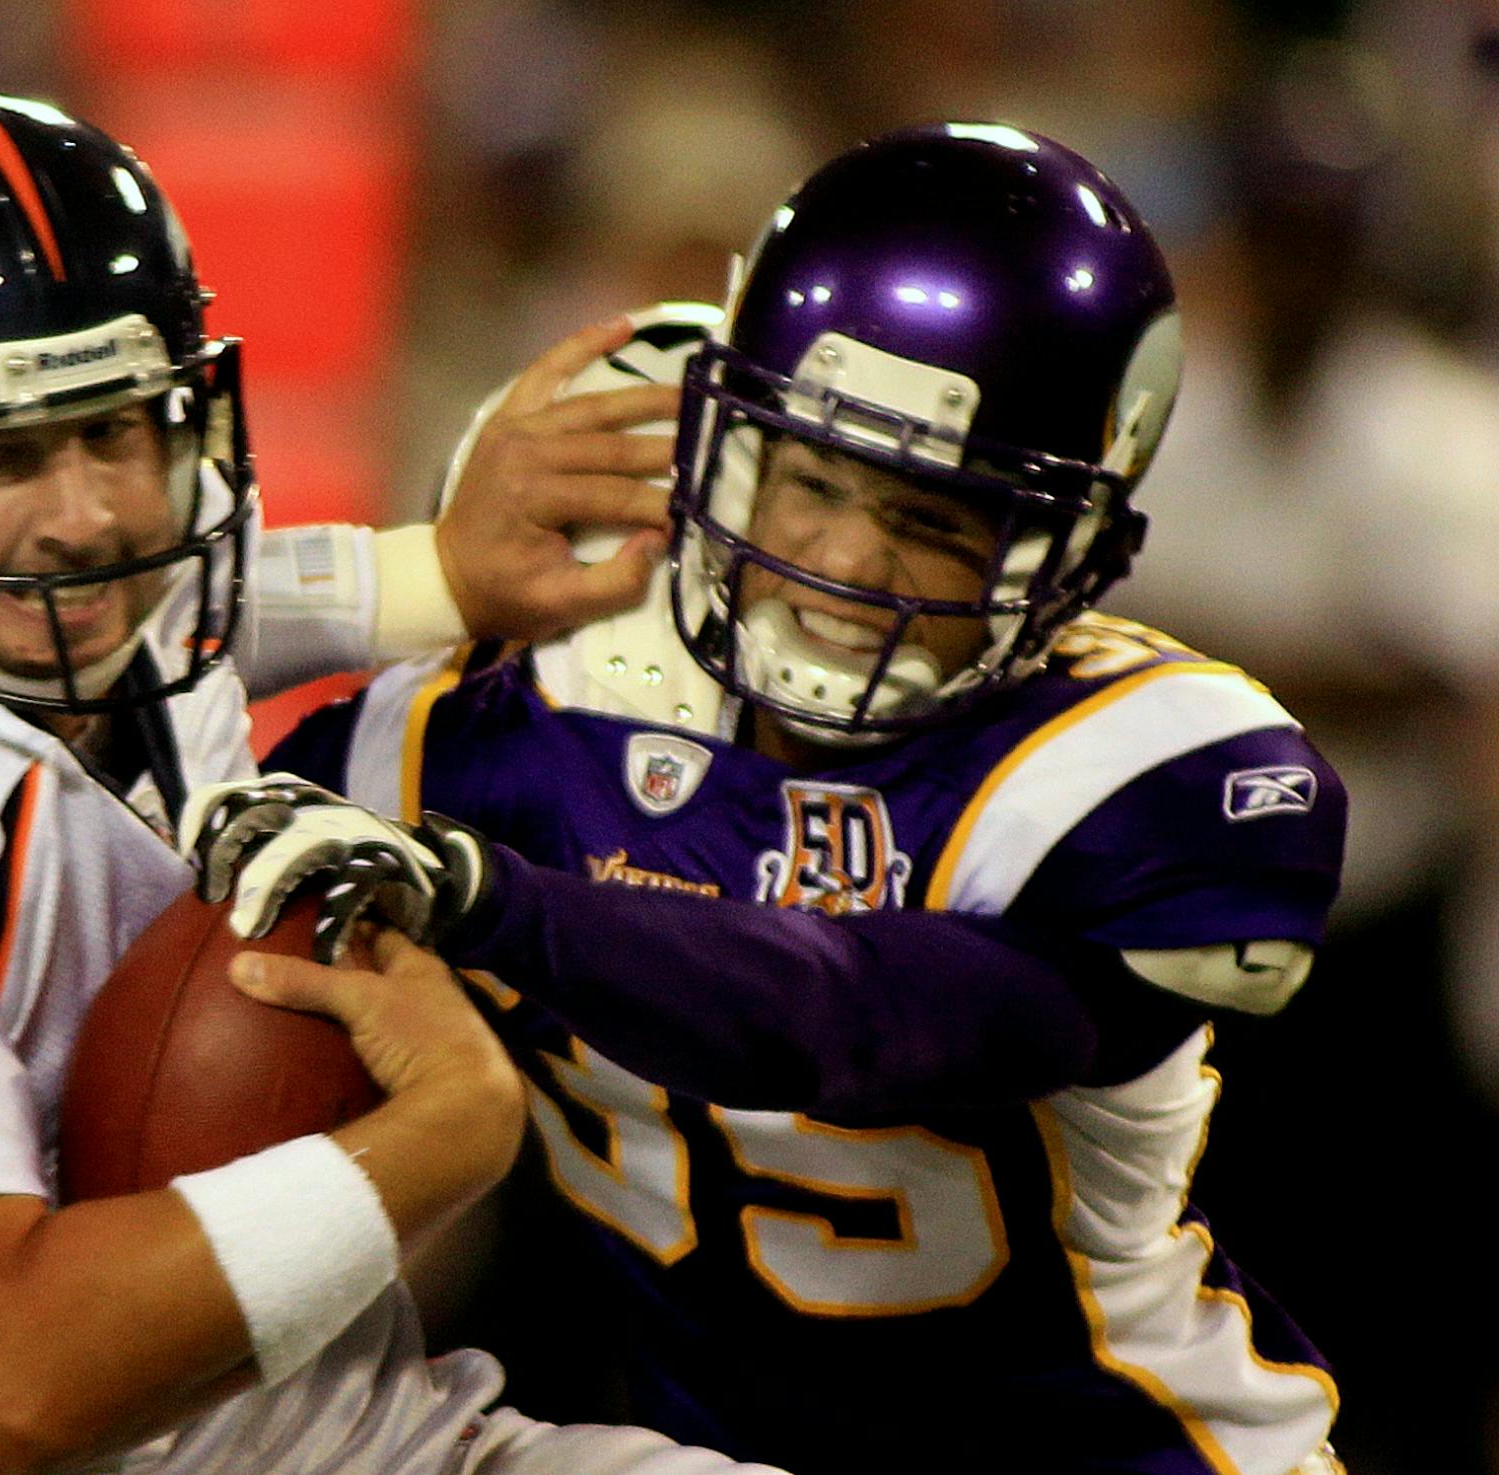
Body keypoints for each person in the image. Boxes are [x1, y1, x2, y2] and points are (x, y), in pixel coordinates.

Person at [0, 89, 781, 1475]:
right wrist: (444, 1132)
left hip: (377, 1431)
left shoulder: (64, 593)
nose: (84, 517)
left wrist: (439, 568)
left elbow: (225, 595)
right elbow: (9, 1390)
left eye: (117, 428)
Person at [187, 124, 1349, 1475]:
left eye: (930, 519)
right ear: (723, 449)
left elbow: (853, 1015)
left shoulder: (1138, 775)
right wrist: (409, 580)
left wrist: (492, 901)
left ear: (1063, 556)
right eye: (810, 479)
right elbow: (94, 683)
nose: (845, 559)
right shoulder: (517, 731)